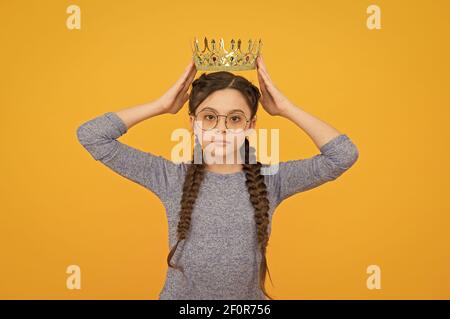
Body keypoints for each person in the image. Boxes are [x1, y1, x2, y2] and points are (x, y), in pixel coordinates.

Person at [76, 55, 359, 300]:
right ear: (193, 122)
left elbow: (343, 155)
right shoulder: (171, 178)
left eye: (234, 119)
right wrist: (161, 105)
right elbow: (92, 136)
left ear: (250, 126)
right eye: (209, 117)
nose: (221, 129)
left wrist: (286, 107)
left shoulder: (272, 179)